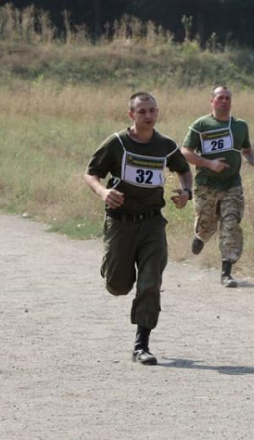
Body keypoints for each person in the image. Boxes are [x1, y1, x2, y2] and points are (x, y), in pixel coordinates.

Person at [84, 92, 193, 366]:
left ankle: (141, 345)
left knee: (150, 281)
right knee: (118, 285)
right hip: (121, 222)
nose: (148, 115)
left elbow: (183, 169)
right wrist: (103, 192)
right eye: (142, 111)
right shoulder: (117, 142)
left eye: (152, 110)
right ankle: (113, 267)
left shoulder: (165, 145)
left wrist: (186, 192)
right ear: (131, 114)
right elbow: (91, 173)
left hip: (153, 223)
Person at [181, 86, 254, 287]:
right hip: (206, 184)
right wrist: (209, 163)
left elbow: (247, 150)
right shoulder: (201, 125)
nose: (224, 101)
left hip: (231, 184)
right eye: (220, 98)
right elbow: (185, 152)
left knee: (231, 223)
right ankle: (201, 236)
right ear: (212, 101)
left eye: (227, 98)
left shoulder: (240, 126)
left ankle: (226, 272)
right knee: (207, 224)